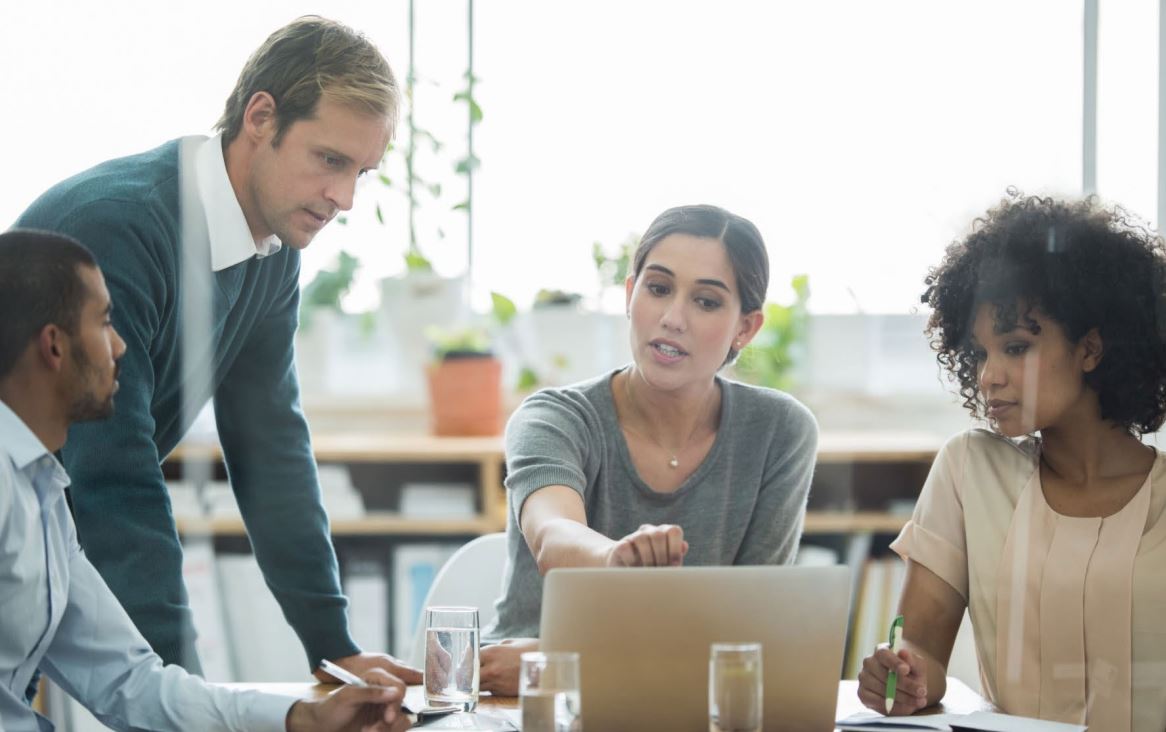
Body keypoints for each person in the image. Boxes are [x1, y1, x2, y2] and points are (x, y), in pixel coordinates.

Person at [10, 16, 420, 686]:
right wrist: (183, 694)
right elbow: (116, 479)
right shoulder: (119, 229)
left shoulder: (272, 252)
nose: (344, 198)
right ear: (261, 116)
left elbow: (270, 447)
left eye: (362, 172)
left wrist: (333, 650)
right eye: (330, 160)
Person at [0, 229, 411, 732]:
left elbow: (131, 682)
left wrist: (301, 718)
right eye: (105, 323)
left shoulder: (41, 488)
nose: (122, 345)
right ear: (55, 347)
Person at [478, 204, 819, 694]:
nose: (672, 318)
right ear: (630, 293)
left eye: (705, 301)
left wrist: (577, 662)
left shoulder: (780, 432)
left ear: (745, 328)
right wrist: (617, 560)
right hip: (529, 691)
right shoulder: (553, 418)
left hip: (677, 694)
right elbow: (554, 537)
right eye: (658, 289)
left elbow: (750, 629)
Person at [856, 193, 1166, 731]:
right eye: (979, 354)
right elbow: (922, 646)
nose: (988, 376)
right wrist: (904, 677)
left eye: (1016, 347)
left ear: (1090, 348)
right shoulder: (968, 470)